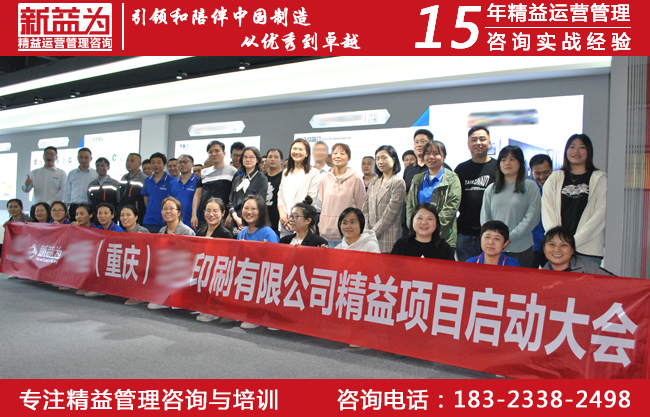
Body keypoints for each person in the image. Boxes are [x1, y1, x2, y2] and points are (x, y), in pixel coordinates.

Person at [542, 134, 607, 265]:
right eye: (572, 147)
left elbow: (600, 214)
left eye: (582, 147)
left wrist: (572, 242)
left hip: (588, 249)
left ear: (589, 151)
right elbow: (547, 212)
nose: (576, 151)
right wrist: (559, 242)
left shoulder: (600, 179)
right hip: (558, 250)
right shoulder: (555, 178)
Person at [480, 146, 541, 268]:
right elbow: (485, 218)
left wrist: (510, 237)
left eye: (512, 159)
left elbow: (532, 217)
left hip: (520, 247)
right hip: (494, 249)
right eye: (503, 160)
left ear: (520, 163)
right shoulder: (491, 189)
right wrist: (494, 238)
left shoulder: (530, 186)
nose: (507, 163)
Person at [454, 126, 498, 262]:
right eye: (474, 140)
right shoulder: (461, 169)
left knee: (492, 273)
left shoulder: (499, 168)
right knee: (467, 273)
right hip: (465, 233)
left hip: (492, 234)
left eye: (482, 139)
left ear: (489, 143)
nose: (478, 143)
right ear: (468, 144)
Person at [406, 140, 461, 248]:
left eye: (436, 153)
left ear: (444, 157)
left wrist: (432, 227)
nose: (431, 157)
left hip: (443, 236)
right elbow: (410, 205)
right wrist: (413, 225)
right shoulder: (417, 179)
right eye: (427, 153)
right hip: (418, 236)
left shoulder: (452, 178)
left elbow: (452, 206)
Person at [237, 195, 280, 330]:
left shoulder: (268, 233)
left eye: (253, 209)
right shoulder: (242, 233)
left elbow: (275, 261)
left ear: (261, 211)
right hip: (246, 274)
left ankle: (260, 315)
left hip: (262, 277)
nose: (249, 212)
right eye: (246, 208)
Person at [318, 143, 366, 247]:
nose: (338, 156)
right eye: (335, 153)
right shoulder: (325, 178)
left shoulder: (356, 178)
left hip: (347, 233)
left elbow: (361, 206)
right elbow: (322, 203)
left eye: (342, 153)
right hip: (326, 232)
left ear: (349, 158)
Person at [195, 197, 233, 322]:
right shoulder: (200, 232)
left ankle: (213, 309)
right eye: (208, 211)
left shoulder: (225, 234)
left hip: (217, 272)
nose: (211, 214)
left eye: (215, 211)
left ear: (222, 213)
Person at [362, 145, 406, 253]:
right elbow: (365, 208)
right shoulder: (374, 181)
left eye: (384, 157)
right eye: (377, 158)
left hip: (388, 238)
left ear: (394, 160)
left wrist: (372, 234)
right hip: (369, 237)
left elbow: (390, 213)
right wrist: (366, 231)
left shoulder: (398, 182)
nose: (380, 161)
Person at [277, 138, 320, 237]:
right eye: (294, 149)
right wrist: (282, 215)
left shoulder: (313, 172)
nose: (297, 152)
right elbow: (280, 196)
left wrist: (293, 216)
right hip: (284, 223)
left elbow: (310, 199)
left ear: (307, 153)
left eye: (300, 149)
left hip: (301, 222)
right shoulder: (286, 172)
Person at [191, 140, 238, 229]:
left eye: (217, 151)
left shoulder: (232, 171)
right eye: (210, 152)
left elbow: (236, 195)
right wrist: (194, 215)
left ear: (224, 153)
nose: (213, 154)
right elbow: (198, 195)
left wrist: (230, 215)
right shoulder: (203, 172)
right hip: (205, 216)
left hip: (224, 217)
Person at [227, 147, 268, 236]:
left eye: (251, 157)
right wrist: (236, 218)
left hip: (252, 222)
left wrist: (245, 220)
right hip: (236, 220)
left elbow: (260, 203)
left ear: (257, 159)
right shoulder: (237, 179)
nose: (248, 159)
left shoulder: (262, 179)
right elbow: (230, 202)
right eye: (245, 157)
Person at [541, 226, 615, 275]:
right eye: (552, 244)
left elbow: (616, 284)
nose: (557, 249)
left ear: (572, 250)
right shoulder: (540, 276)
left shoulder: (589, 269)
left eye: (563, 245)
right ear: (544, 249)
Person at [85, 203, 123, 298]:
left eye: (106, 213)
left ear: (112, 215)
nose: (102, 216)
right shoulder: (98, 229)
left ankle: (101, 288)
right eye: (100, 213)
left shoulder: (117, 230)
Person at [22, 146, 67, 218]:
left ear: (56, 157)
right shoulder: (34, 173)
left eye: (51, 154)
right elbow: (26, 190)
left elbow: (63, 191)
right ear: (43, 157)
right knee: (34, 225)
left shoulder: (61, 173)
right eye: (46, 154)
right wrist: (27, 185)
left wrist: (48, 204)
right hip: (36, 208)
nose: (49, 156)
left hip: (52, 208)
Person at [120, 205, 149, 306]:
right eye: (122, 215)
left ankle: (140, 295)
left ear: (136, 217)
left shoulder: (143, 231)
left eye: (128, 215)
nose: (125, 218)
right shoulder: (122, 234)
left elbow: (148, 255)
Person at [529, 154, 554, 268]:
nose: (542, 177)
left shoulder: (559, 190)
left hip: (553, 245)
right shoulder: (528, 191)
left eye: (546, 172)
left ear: (552, 169)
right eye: (537, 173)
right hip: (532, 245)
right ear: (531, 172)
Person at [140, 152, 174, 234]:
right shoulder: (148, 180)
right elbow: (146, 197)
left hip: (164, 220)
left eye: (158, 162)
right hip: (148, 220)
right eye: (153, 163)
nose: (155, 165)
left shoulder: (171, 180)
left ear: (164, 165)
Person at [64, 147, 98, 221]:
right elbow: (67, 192)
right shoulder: (71, 173)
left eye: (86, 157)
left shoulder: (95, 173)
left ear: (91, 159)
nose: (83, 160)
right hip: (74, 207)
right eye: (81, 157)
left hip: (88, 207)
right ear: (77, 158)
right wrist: (65, 208)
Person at [87, 157, 121, 223]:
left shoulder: (115, 184)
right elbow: (89, 202)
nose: (100, 168)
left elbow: (119, 201)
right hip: (95, 218)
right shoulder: (92, 184)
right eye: (98, 166)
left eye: (102, 165)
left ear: (108, 167)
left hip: (110, 219)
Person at [118, 153, 147, 226]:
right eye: (127, 160)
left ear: (139, 164)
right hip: (123, 215)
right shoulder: (124, 177)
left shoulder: (144, 179)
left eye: (132, 161)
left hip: (137, 216)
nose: (128, 163)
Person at [171, 154, 199, 228]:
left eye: (186, 161)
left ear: (192, 164)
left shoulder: (198, 181)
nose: (182, 164)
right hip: (176, 222)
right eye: (180, 162)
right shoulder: (173, 183)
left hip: (193, 221)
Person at [265, 149, 284, 236]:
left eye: (276, 157)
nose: (272, 159)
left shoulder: (285, 177)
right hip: (264, 221)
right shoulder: (262, 178)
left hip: (280, 221)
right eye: (270, 157)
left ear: (281, 160)